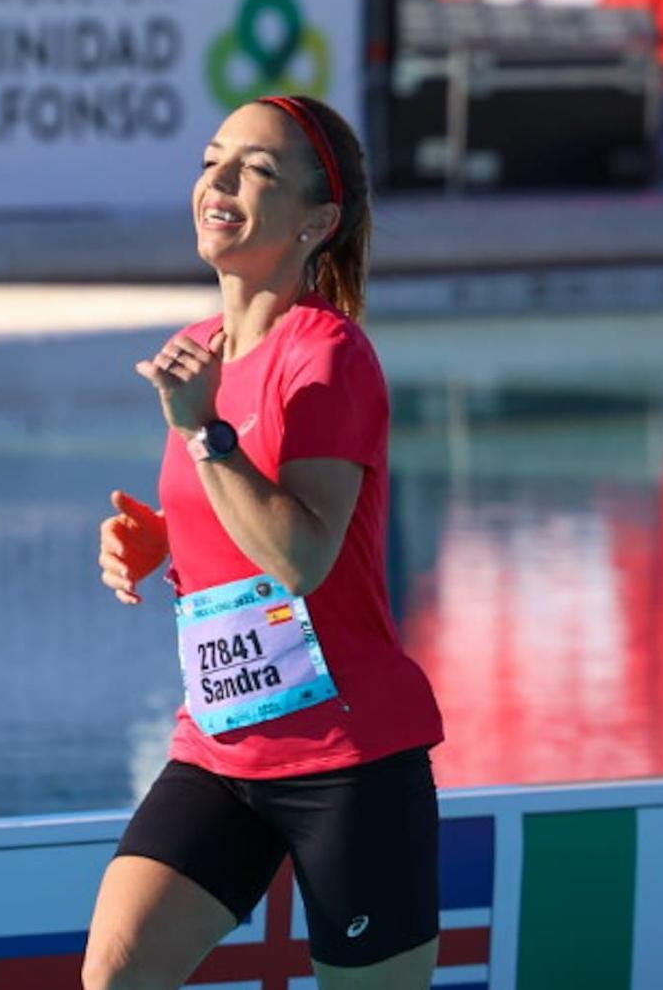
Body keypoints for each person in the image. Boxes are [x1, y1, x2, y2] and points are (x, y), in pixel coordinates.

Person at [85, 95, 445, 990]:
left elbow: (303, 555)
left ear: (316, 222)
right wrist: (154, 541)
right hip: (220, 746)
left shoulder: (329, 356)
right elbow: (234, 514)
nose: (222, 180)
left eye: (258, 170)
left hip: (349, 762)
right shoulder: (196, 350)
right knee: (114, 976)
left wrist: (203, 429)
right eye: (214, 159)